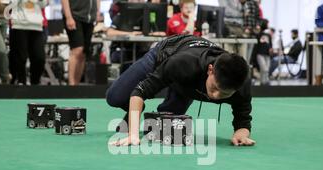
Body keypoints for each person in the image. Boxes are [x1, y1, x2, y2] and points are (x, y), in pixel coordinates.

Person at [106, 34, 255, 147]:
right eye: (214, 88)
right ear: (210, 70)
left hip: (187, 84)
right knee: (115, 97)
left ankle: (137, 111)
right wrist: (133, 134)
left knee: (164, 127)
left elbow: (243, 119)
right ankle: (136, 109)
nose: (216, 96)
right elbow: (140, 91)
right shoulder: (183, 64)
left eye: (225, 94)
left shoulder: (241, 83)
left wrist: (241, 133)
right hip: (165, 54)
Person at [7, 0, 49, 85]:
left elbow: (44, 4)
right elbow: (9, 4)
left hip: (36, 25)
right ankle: (21, 82)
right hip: (18, 24)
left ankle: (35, 83)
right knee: (20, 57)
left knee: (39, 58)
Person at [62, 0, 100, 85]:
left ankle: (76, 84)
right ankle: (71, 85)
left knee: (83, 53)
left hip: (89, 18)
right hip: (74, 15)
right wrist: (68, 17)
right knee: (77, 49)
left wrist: (97, 11)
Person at [251, 19, 272, 85]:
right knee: (264, 69)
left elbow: (270, 45)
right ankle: (263, 82)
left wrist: (271, 50)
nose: (268, 25)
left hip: (267, 54)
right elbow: (256, 45)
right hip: (260, 54)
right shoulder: (258, 34)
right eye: (267, 24)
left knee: (267, 69)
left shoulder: (268, 35)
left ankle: (265, 82)